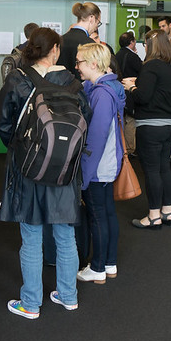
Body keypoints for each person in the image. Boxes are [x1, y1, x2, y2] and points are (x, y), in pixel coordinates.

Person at [0, 27, 91, 320]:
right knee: (65, 235)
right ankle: (68, 296)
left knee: (32, 235)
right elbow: (83, 121)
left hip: (28, 169)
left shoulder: (18, 79)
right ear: (54, 50)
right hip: (65, 171)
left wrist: (22, 148)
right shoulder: (73, 84)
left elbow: (3, 123)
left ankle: (31, 303)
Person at [75, 43, 126, 284]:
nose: (77, 67)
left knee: (98, 216)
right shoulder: (108, 88)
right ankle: (109, 263)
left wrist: (84, 175)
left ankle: (97, 268)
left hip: (98, 166)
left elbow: (95, 138)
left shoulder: (102, 94)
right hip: (107, 164)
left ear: (93, 64)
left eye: (80, 62)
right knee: (106, 214)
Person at [121, 30, 171, 229]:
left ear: (150, 45)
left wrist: (131, 87)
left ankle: (154, 215)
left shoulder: (150, 67)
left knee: (152, 171)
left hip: (151, 126)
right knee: (165, 168)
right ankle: (168, 211)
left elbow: (143, 97)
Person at [57, 2, 101, 79]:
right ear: (92, 18)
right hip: (80, 88)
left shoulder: (60, 40)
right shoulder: (89, 44)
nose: (96, 27)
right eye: (98, 23)